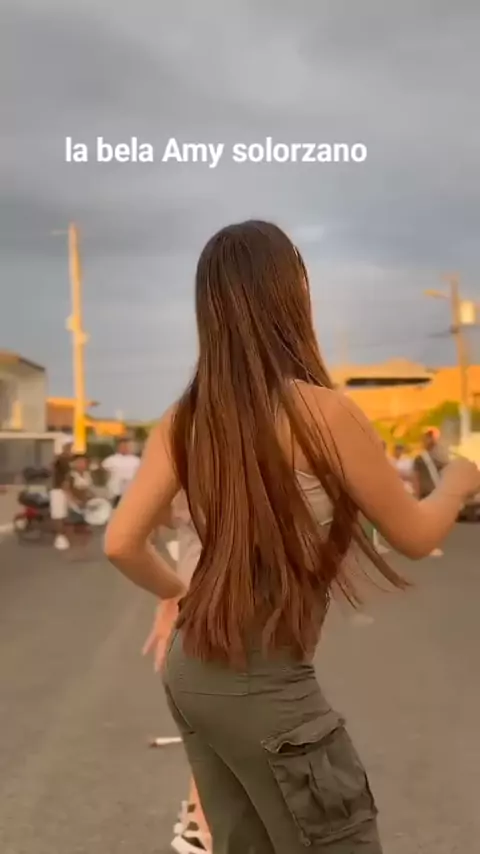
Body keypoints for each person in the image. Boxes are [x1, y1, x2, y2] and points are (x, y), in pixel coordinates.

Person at [104, 220, 480, 854]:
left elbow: (121, 543)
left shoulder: (183, 419)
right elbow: (416, 536)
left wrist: (180, 595)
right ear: (292, 292)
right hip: (266, 685)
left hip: (192, 673)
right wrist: (459, 482)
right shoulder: (324, 412)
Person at [142, 493, 211, 853]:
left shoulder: (183, 459)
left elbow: (127, 538)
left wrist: (170, 595)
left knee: (212, 729)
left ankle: (198, 824)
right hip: (270, 613)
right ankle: (200, 826)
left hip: (196, 608)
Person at [413, 430, 447, 557]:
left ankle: (432, 545)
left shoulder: (438, 457)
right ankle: (427, 546)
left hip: (436, 492)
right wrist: (416, 494)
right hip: (425, 492)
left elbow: (444, 471)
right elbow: (415, 477)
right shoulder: (420, 458)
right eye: (429, 439)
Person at [50, 437, 74, 550]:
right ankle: (59, 537)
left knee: (63, 515)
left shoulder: (65, 460)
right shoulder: (62, 460)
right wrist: (68, 491)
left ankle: (62, 536)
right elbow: (64, 479)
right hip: (58, 490)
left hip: (61, 490)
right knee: (59, 515)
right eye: (68, 446)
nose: (70, 448)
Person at [102, 438, 140, 508]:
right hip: (115, 492)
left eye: (126, 446)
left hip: (131, 492)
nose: (124, 448)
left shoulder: (137, 461)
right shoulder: (110, 460)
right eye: (122, 446)